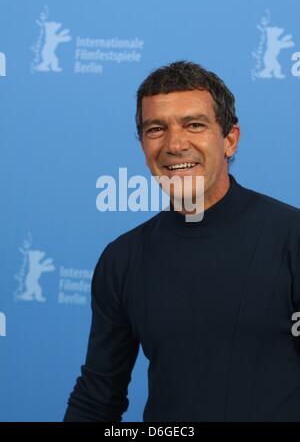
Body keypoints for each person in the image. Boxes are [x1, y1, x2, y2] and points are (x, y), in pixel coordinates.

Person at [64, 61, 300, 422]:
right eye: (156, 128)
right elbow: (98, 400)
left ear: (230, 139)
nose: (175, 144)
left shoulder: (291, 237)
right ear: (142, 144)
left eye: (194, 125)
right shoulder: (123, 258)